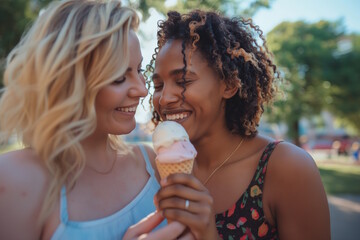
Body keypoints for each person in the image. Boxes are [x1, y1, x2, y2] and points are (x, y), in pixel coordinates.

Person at [0, 1, 190, 239]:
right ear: (68, 82)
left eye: (139, 70)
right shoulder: (12, 180)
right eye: (120, 77)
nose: (142, 90)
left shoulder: (150, 163)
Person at [148, 10, 331, 239]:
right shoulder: (153, 170)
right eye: (158, 86)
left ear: (230, 85)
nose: (164, 99)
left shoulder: (287, 168)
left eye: (183, 81)